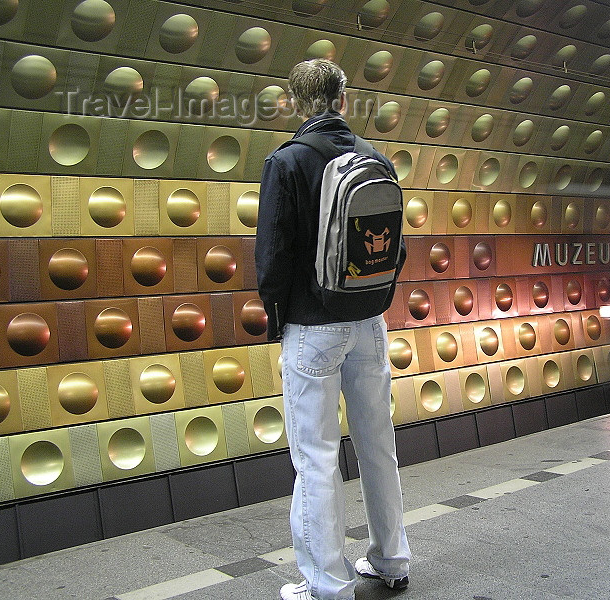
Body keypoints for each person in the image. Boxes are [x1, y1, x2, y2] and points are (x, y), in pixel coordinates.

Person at [255, 59, 411, 600]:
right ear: (343, 100)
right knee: (378, 445)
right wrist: (375, 303)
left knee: (316, 457)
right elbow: (398, 248)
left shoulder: (288, 162)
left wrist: (279, 319)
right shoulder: (376, 160)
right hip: (369, 322)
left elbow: (272, 256)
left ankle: (327, 583)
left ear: (295, 103)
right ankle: (391, 560)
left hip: (312, 326)